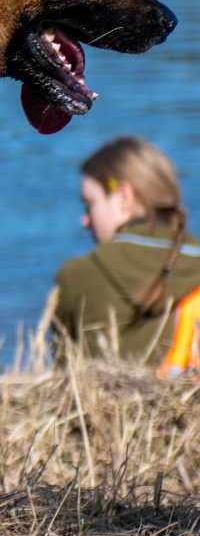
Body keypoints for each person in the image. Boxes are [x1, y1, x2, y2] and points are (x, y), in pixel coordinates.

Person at [52, 136, 200, 373]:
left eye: (89, 204)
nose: (84, 221)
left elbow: (61, 380)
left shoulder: (75, 275)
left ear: (123, 197)